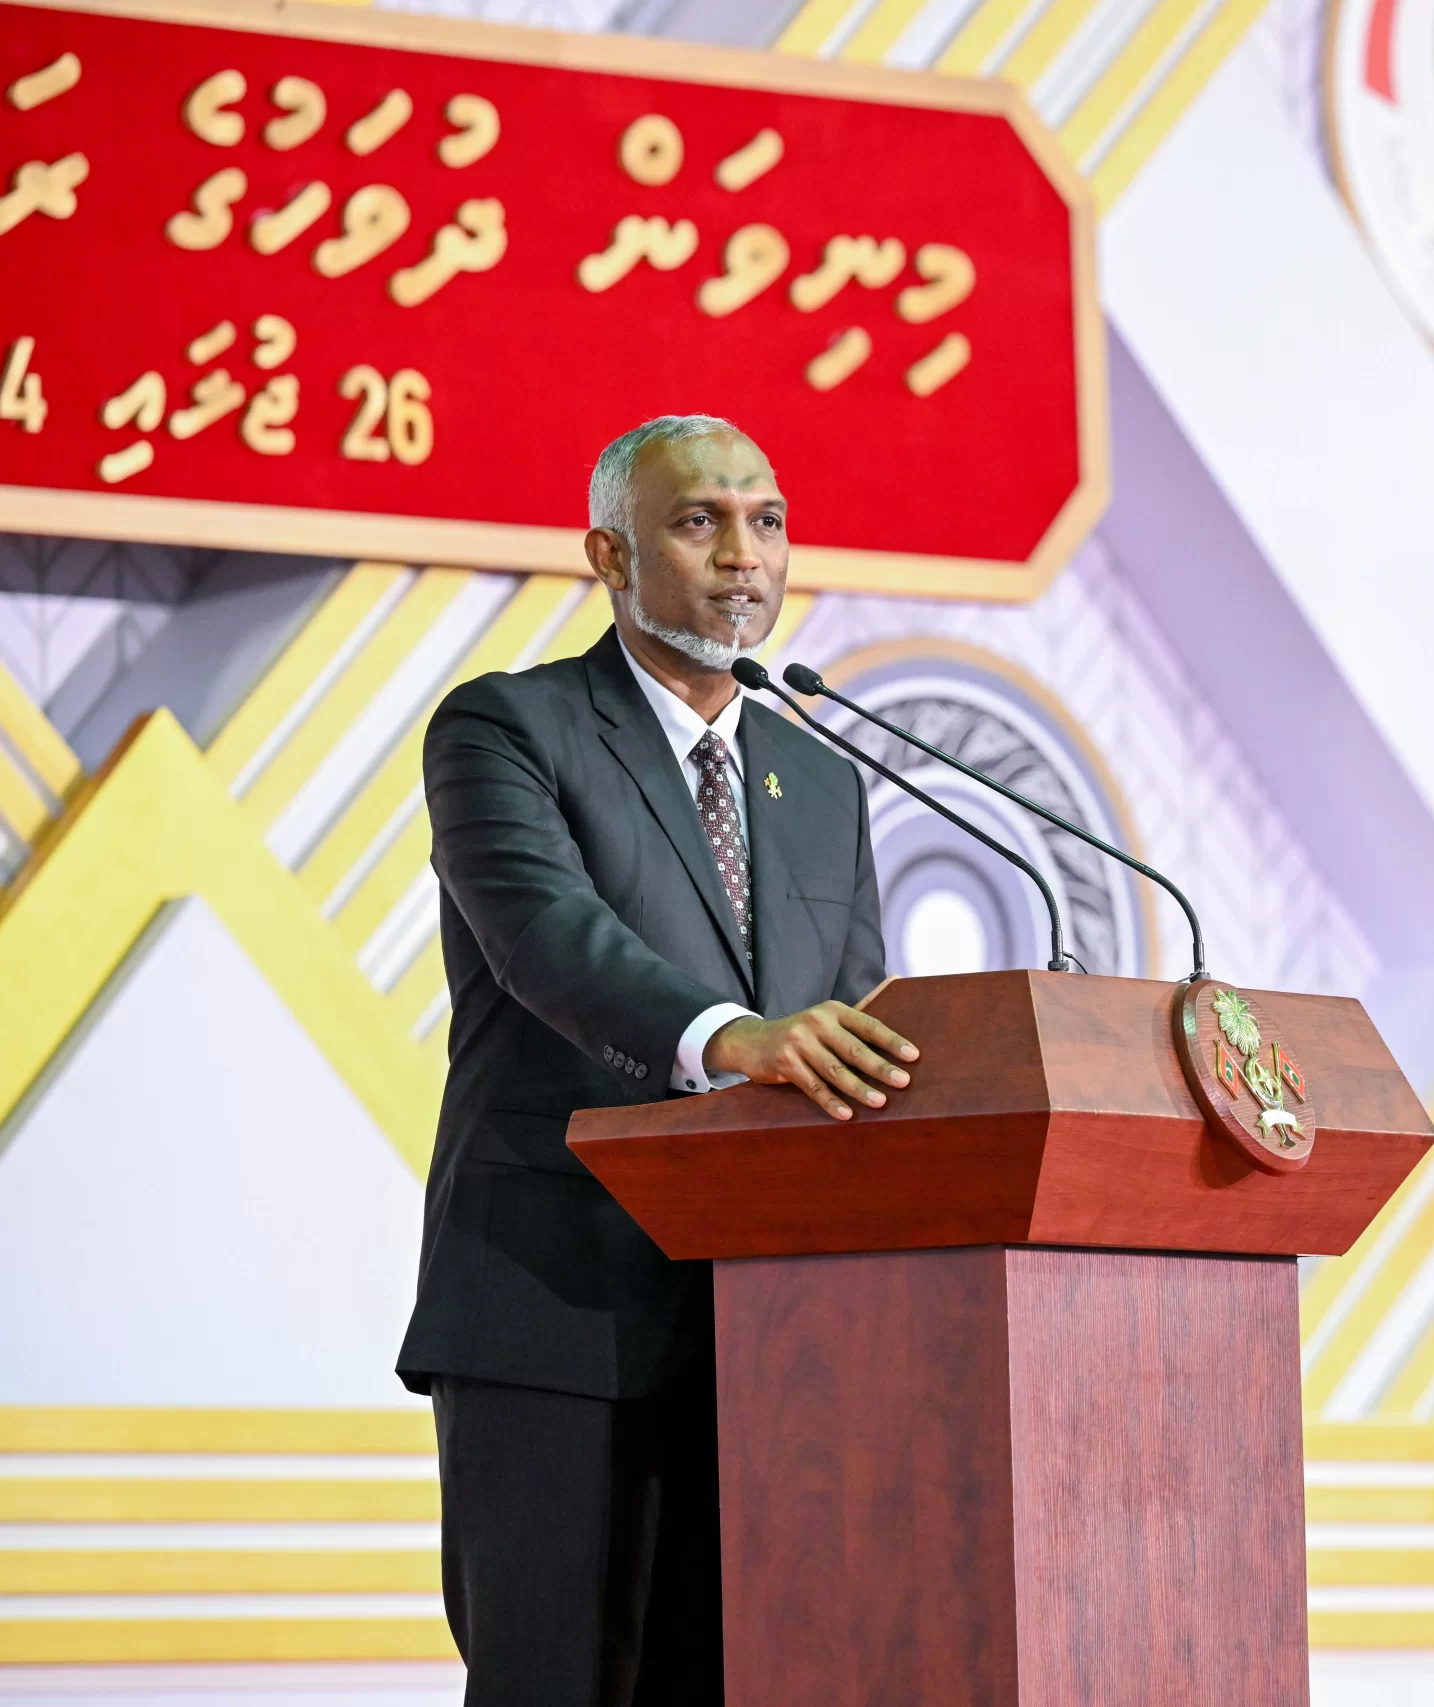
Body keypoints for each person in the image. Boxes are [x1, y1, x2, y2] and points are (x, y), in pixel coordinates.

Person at [396, 414, 916, 1705]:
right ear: (611, 556)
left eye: (768, 520)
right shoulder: (508, 729)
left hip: (774, 1339)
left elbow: (856, 1018)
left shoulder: (821, 779)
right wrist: (734, 1037)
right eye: (700, 522)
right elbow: (549, 942)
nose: (746, 554)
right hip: (558, 1308)